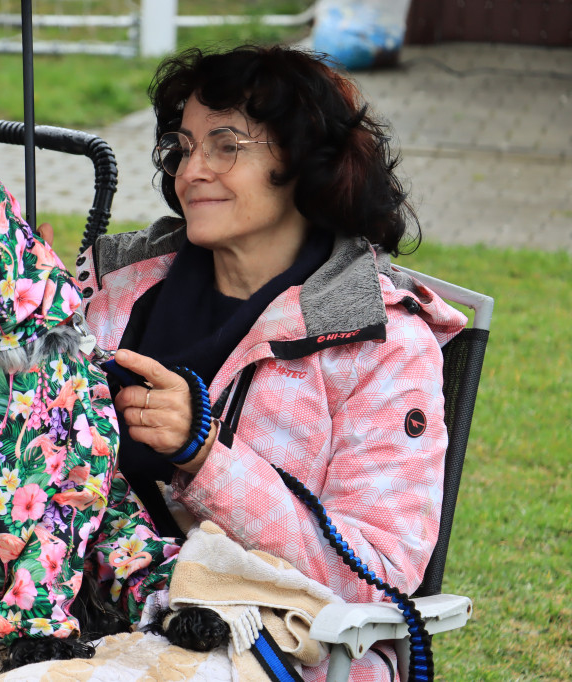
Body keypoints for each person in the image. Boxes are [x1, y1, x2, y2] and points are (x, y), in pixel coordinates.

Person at [73, 44, 468, 681]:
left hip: (269, 647)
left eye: (226, 145)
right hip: (74, 610)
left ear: (304, 161)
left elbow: (377, 577)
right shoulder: (117, 290)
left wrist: (203, 458)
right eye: (183, 145)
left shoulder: (380, 343)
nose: (191, 169)